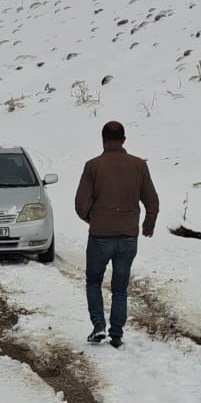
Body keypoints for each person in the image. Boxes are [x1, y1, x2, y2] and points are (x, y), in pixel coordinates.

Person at [75, 121, 159, 348]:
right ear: (124, 139)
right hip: (128, 236)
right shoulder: (139, 166)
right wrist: (148, 224)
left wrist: (94, 219)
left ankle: (98, 326)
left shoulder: (93, 166)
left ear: (103, 139)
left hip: (100, 235)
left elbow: (81, 204)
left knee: (94, 281)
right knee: (120, 288)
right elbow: (152, 201)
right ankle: (117, 334)